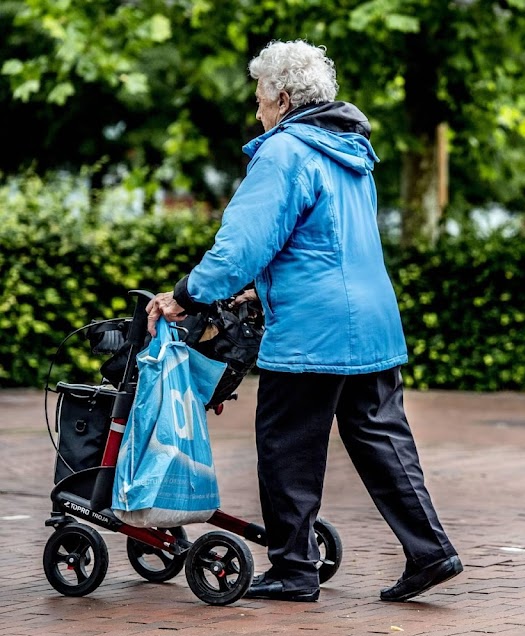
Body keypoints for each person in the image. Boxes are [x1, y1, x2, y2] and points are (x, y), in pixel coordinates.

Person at [146, 39, 461, 603]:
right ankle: (430, 551)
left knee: (287, 441)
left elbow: (241, 244)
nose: (258, 112)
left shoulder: (285, 152)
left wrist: (186, 295)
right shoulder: (351, 151)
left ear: (284, 99)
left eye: (262, 99)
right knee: (380, 436)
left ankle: (294, 568)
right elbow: (320, 242)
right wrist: (254, 287)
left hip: (313, 328)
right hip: (371, 320)